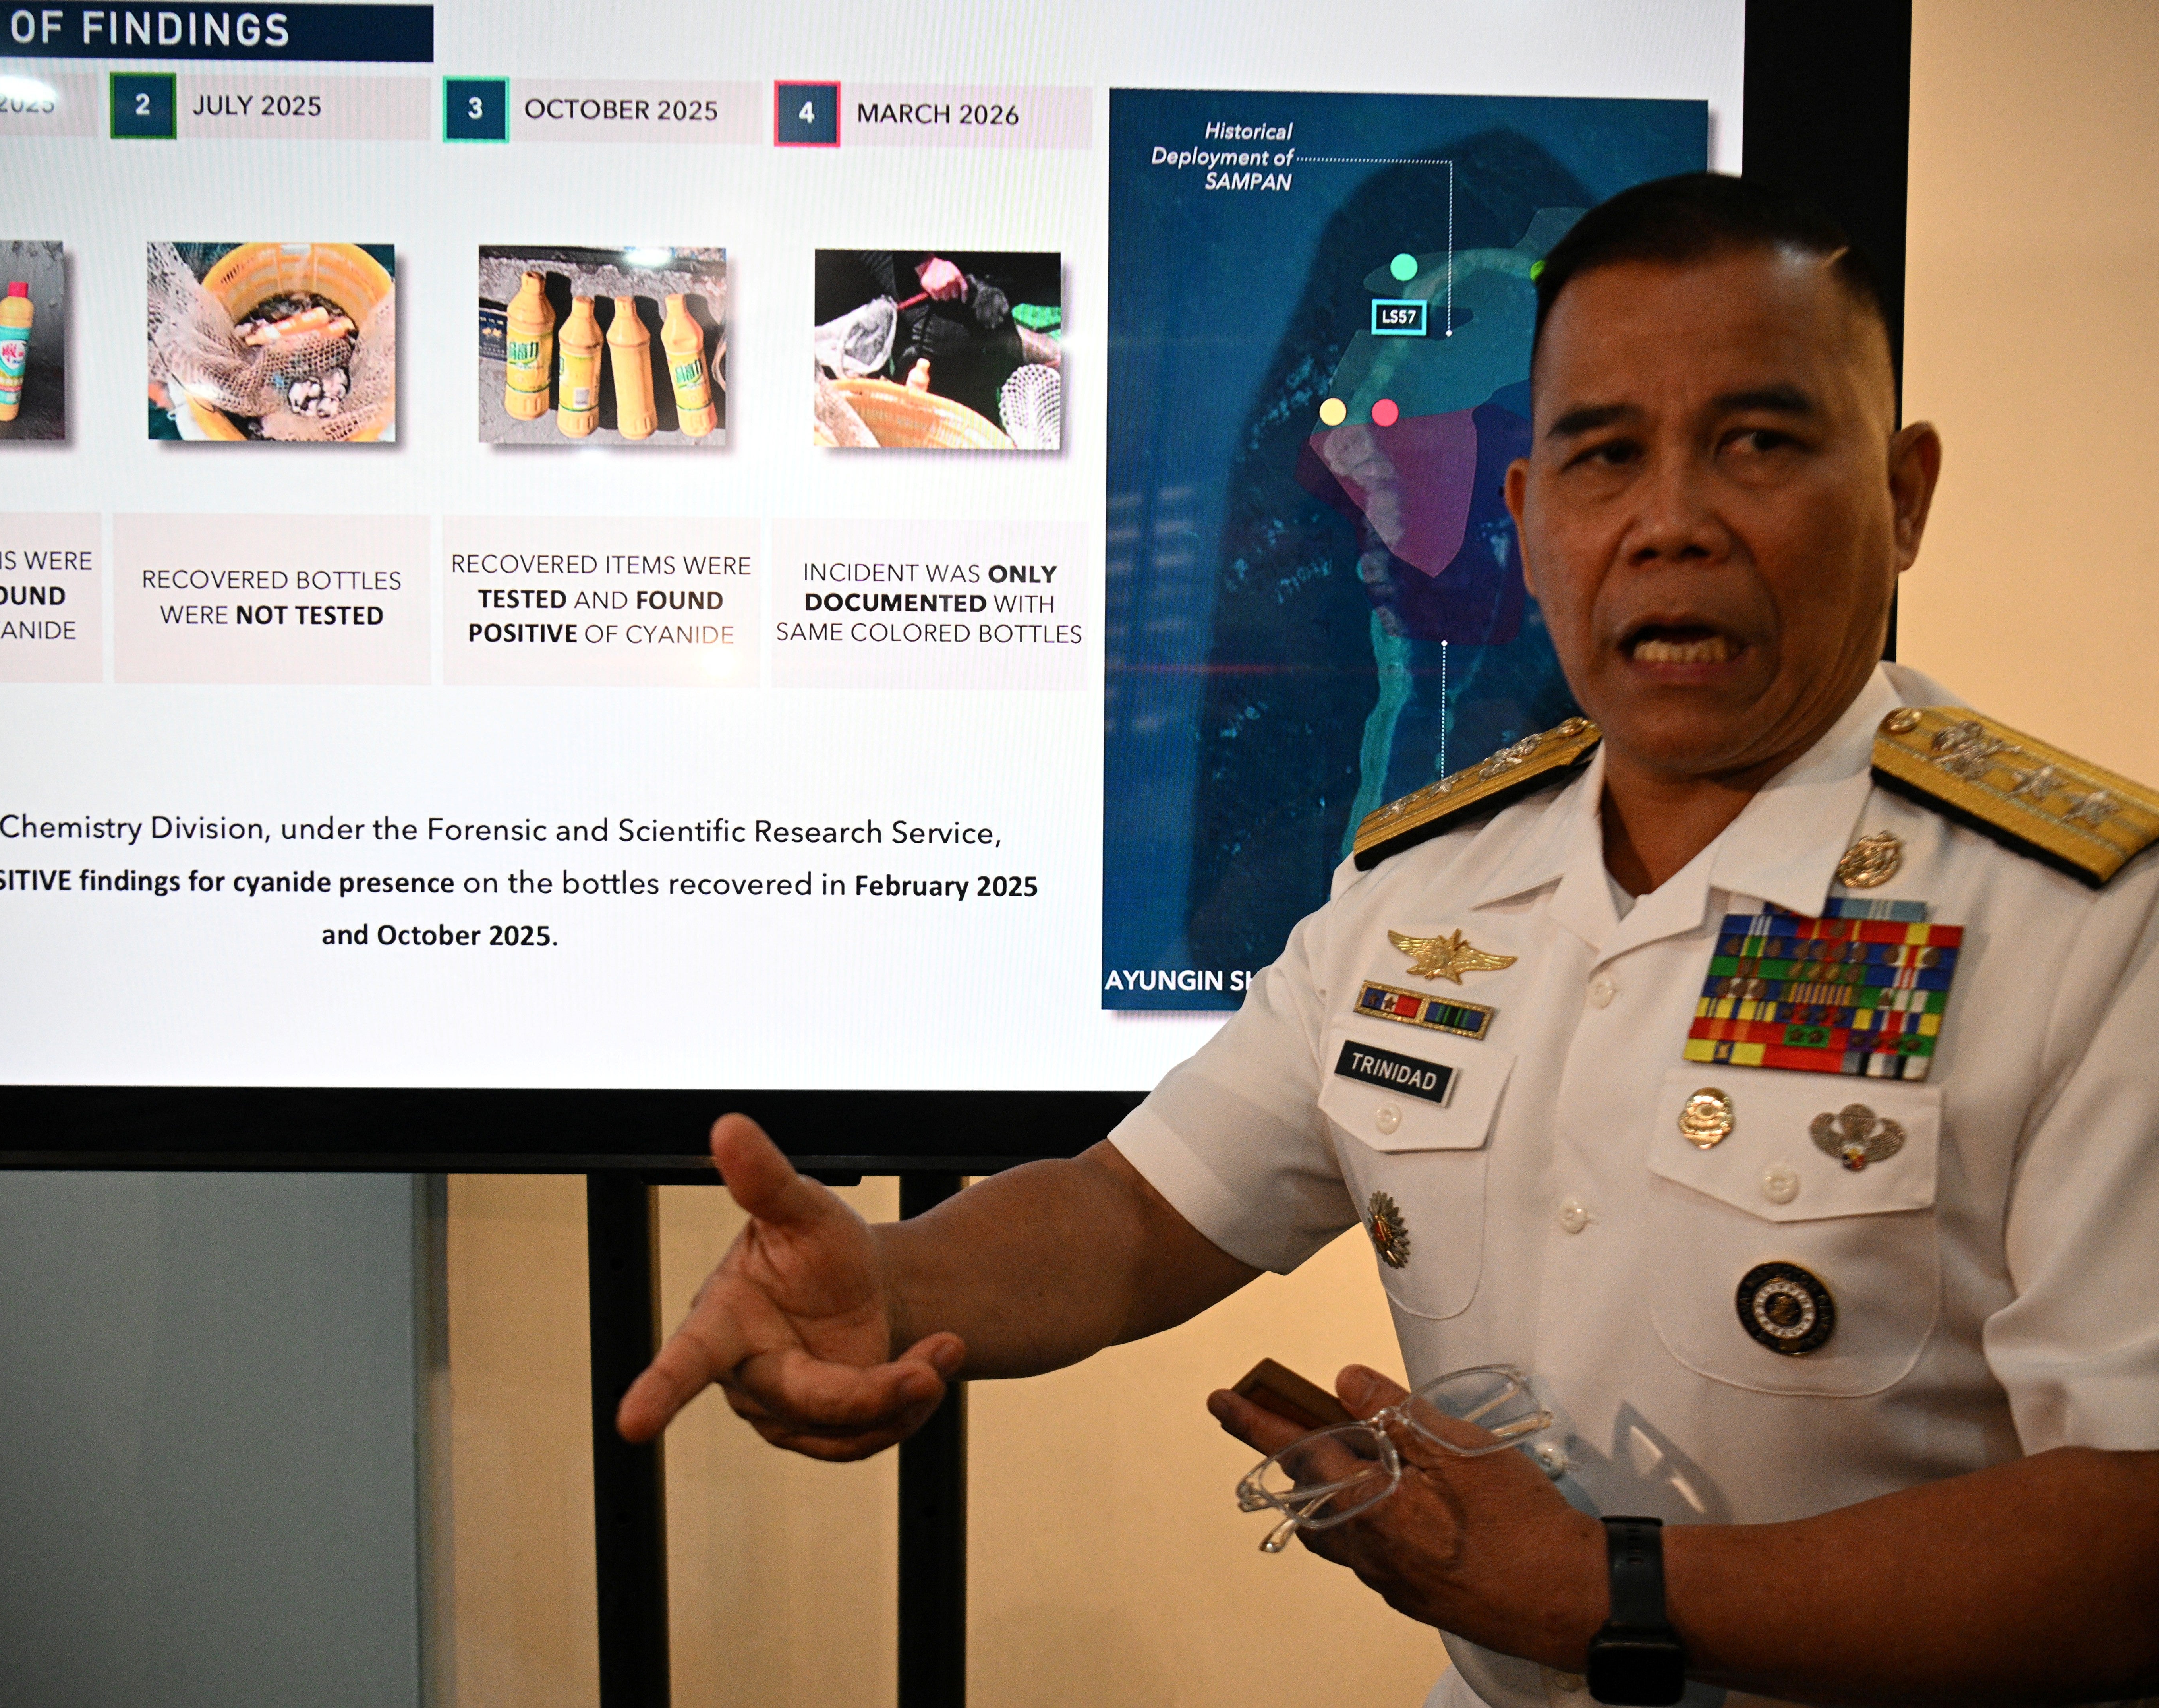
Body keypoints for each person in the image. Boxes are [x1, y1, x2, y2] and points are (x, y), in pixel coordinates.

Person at [620, 174, 2159, 1707]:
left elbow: (2134, 1532)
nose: (1674, 521)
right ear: (1529, 515)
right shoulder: (1429, 883)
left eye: (1759, 444)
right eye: (1605, 456)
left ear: (1903, 496)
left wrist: (1594, 1591)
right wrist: (887, 1286)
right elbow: (1135, 1213)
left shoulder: (2093, 925)